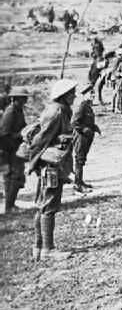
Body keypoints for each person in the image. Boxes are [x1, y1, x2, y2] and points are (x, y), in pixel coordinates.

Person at [27, 78, 78, 261]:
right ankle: (48, 249)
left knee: (43, 206)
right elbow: (40, 141)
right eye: (71, 93)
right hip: (50, 166)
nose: (74, 95)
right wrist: (32, 164)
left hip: (54, 164)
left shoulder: (62, 110)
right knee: (49, 206)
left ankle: (38, 247)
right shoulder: (56, 112)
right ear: (63, 96)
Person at [1, 87, 28, 213]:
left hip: (15, 147)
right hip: (10, 149)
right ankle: (9, 207)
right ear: (16, 99)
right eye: (23, 97)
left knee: (12, 177)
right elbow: (4, 134)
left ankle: (10, 205)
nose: (26, 99)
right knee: (15, 177)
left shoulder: (18, 110)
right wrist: (14, 144)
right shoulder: (10, 112)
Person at [71, 85, 100, 193]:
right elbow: (74, 123)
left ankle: (80, 181)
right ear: (84, 95)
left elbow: (88, 121)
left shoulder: (88, 106)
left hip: (87, 136)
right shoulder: (81, 106)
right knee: (79, 159)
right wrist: (84, 129)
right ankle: (78, 185)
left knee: (82, 160)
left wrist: (94, 128)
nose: (93, 95)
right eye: (90, 93)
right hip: (80, 137)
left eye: (93, 93)